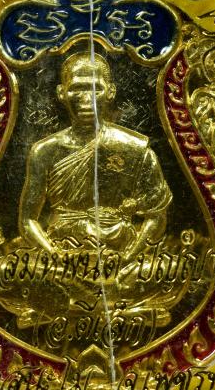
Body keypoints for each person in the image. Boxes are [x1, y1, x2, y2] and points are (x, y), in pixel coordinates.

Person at [19, 51, 172, 261]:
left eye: (95, 89)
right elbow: (28, 220)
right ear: (62, 93)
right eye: (77, 89)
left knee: (154, 269)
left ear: (110, 91)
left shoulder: (134, 148)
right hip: (62, 252)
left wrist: (127, 258)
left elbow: (157, 217)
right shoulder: (44, 151)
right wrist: (56, 256)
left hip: (120, 252)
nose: (86, 99)